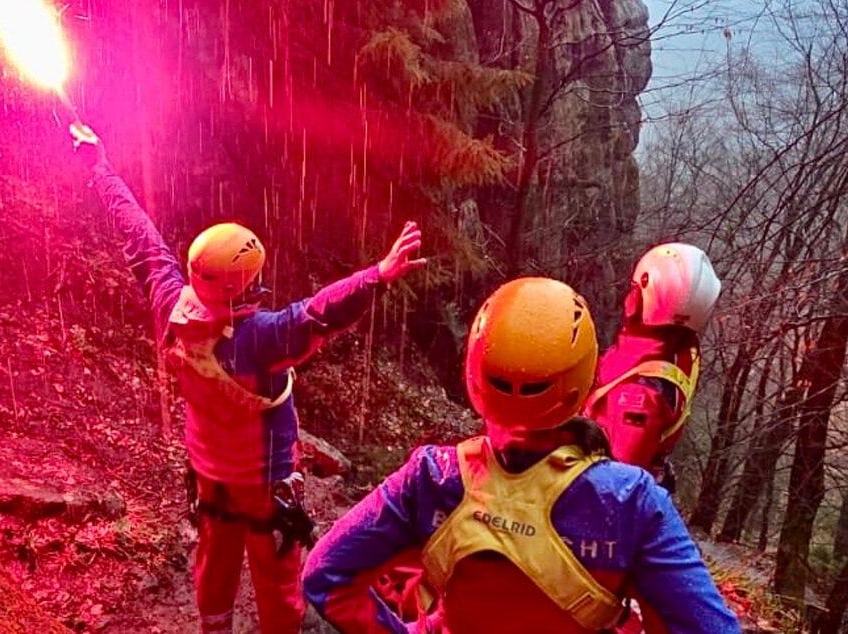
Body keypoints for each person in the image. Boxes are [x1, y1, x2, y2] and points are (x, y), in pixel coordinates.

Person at [69, 122, 426, 634]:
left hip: (210, 474)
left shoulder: (174, 304)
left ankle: (214, 628)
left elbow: (139, 233)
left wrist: (100, 168)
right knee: (278, 573)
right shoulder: (261, 338)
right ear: (247, 285)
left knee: (214, 562)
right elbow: (318, 314)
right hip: (266, 481)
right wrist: (377, 275)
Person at [302, 277, 741, 634]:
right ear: (583, 377)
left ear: (474, 375)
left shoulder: (431, 479)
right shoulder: (633, 504)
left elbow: (325, 574)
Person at [583, 243, 721, 492]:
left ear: (648, 300)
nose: (628, 298)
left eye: (635, 290)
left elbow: (616, 479)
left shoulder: (640, 393)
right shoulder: (676, 352)